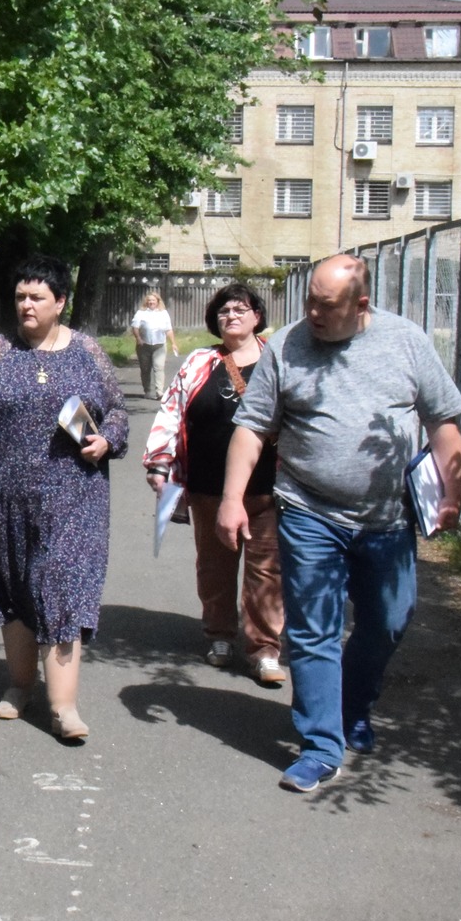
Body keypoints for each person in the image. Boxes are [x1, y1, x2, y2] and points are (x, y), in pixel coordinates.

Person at [216, 255, 461, 793]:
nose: (313, 313)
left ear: (361, 304)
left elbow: (441, 420)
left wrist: (453, 492)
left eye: (326, 306)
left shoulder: (405, 341)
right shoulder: (287, 345)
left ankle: (352, 705)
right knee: (313, 629)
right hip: (309, 510)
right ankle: (320, 745)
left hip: (387, 517)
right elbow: (252, 427)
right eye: (310, 300)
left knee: (389, 620)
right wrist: (232, 499)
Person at [0, 256, 130, 742]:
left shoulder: (87, 351)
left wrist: (107, 440)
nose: (26, 305)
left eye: (37, 297)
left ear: (59, 302)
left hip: (73, 495)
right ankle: (21, 685)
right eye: (20, 296)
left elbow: (118, 411)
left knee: (61, 584)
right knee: (15, 586)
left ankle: (64, 708)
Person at [142, 282, 289, 686]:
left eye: (240, 309)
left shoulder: (278, 360)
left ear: (257, 316)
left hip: (268, 490)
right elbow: (171, 411)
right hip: (209, 488)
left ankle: (264, 649)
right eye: (224, 311)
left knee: (267, 571)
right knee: (214, 567)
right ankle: (220, 635)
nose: (231, 316)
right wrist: (159, 461)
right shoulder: (199, 362)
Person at [128, 289, 178, 397]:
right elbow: (135, 327)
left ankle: (159, 391)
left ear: (158, 301)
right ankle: (147, 390)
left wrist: (173, 343)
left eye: (153, 300)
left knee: (159, 367)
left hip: (159, 345)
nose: (151, 302)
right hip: (143, 345)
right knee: (145, 369)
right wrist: (138, 338)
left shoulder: (163, 313)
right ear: (146, 302)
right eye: (149, 300)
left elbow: (168, 329)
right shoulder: (141, 313)